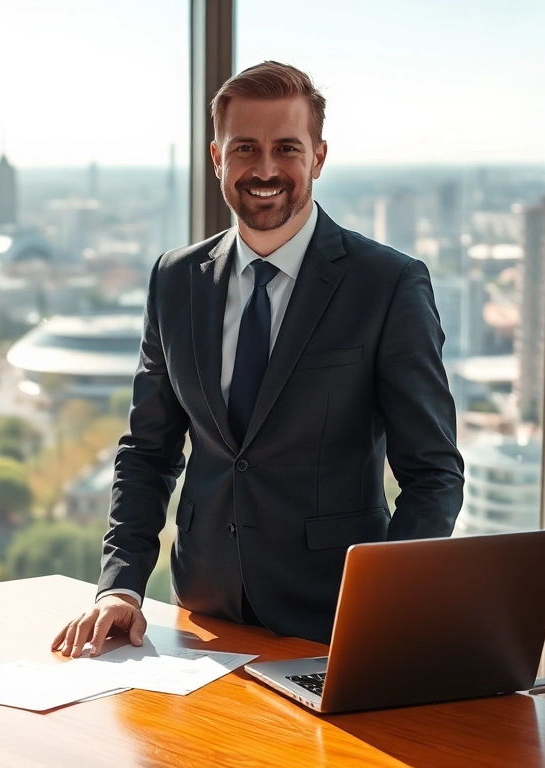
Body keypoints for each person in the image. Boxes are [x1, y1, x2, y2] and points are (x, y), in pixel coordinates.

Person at [52, 61, 463, 656]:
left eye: (286, 148)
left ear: (318, 158)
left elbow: (433, 475)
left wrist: (379, 613)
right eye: (245, 147)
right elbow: (148, 451)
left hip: (332, 625)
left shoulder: (388, 284)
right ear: (217, 158)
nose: (265, 169)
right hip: (200, 617)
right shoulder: (175, 279)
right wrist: (121, 588)